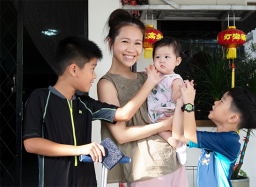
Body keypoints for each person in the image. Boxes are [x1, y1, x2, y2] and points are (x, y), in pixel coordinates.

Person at [22, 35, 164, 187]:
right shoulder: (40, 98)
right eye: (92, 69)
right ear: (74, 69)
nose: (95, 76)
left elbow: (124, 114)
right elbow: (31, 144)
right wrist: (80, 149)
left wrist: (150, 83)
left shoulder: (85, 104)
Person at [98, 9, 188, 187]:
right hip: (146, 170)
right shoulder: (107, 84)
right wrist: (164, 125)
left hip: (174, 162)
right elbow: (121, 135)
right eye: (125, 41)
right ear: (110, 42)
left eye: (138, 43)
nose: (132, 49)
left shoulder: (146, 77)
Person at [172, 81, 256, 187]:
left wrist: (189, 103)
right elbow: (179, 135)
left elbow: (189, 134)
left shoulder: (229, 142)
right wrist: (180, 102)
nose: (215, 103)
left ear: (232, 118)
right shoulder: (216, 139)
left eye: (221, 101)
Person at [147, 36, 189, 165]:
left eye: (166, 57)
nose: (161, 61)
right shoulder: (155, 75)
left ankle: (179, 147)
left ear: (177, 61)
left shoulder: (175, 79)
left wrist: (182, 91)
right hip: (155, 115)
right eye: (157, 57)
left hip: (166, 115)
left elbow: (175, 95)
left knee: (162, 132)